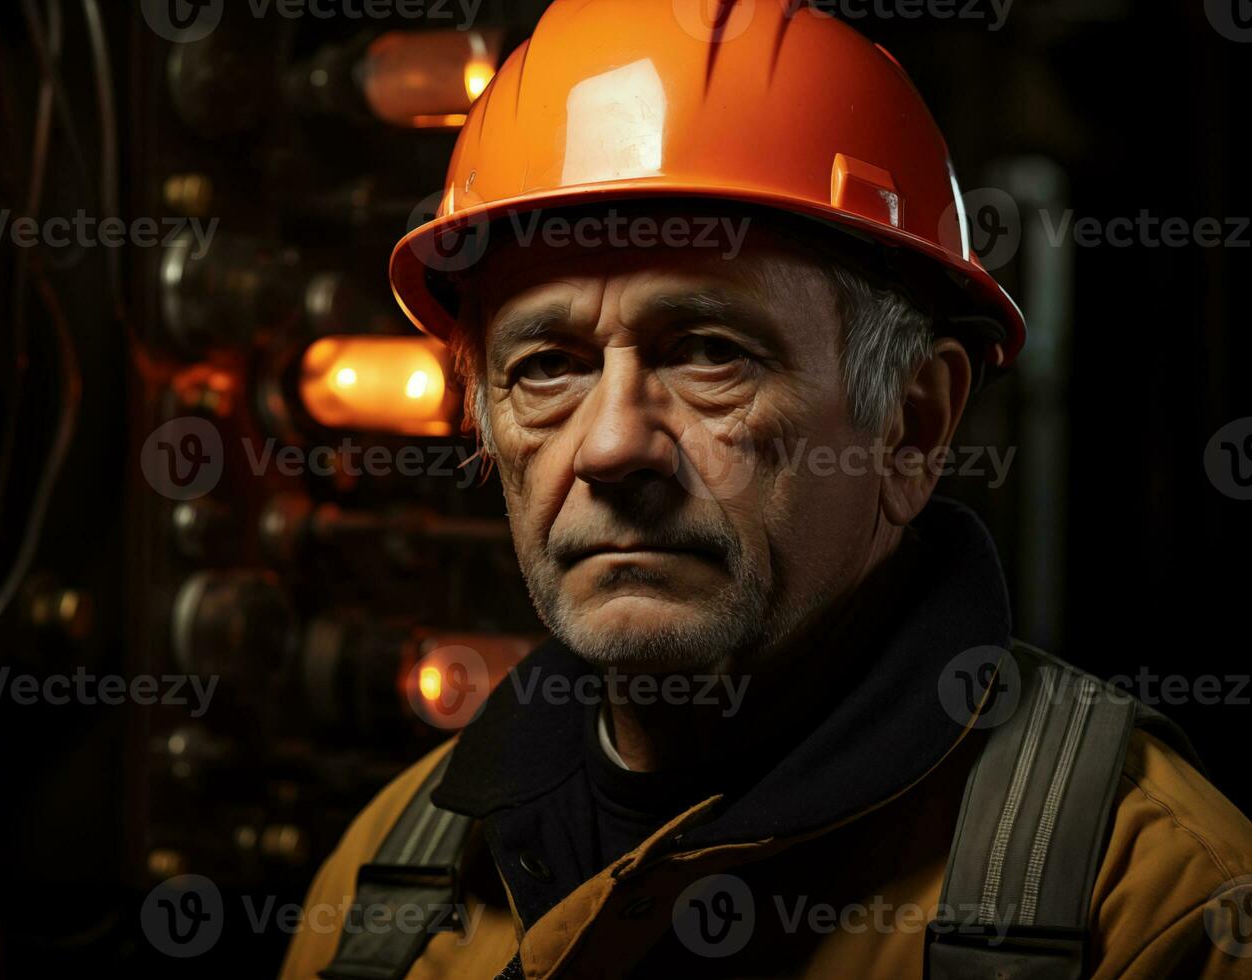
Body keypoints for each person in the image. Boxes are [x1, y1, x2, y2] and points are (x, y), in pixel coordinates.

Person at [280, 1, 1252, 976]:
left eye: (709, 353)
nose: (614, 444)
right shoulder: (391, 874)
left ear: (911, 423)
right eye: (547, 365)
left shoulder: (1148, 903)